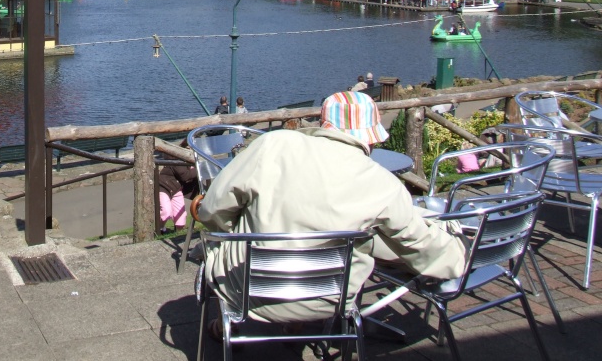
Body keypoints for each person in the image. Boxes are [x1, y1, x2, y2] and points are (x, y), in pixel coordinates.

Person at [191, 91, 467, 325]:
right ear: (369, 135)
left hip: (247, 289)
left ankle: (228, 328)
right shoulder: (382, 182)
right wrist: (458, 256)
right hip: (329, 300)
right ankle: (299, 327)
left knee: (234, 230)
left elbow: (213, 208)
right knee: (372, 238)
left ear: (324, 123)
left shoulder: (274, 145)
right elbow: (417, 240)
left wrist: (232, 230)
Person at [157, 160, 199, 233]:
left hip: (176, 188)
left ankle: (177, 233)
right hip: (164, 187)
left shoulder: (188, 160)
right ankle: (159, 229)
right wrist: (199, 168)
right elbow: (185, 176)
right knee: (166, 212)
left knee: (181, 220)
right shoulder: (176, 160)